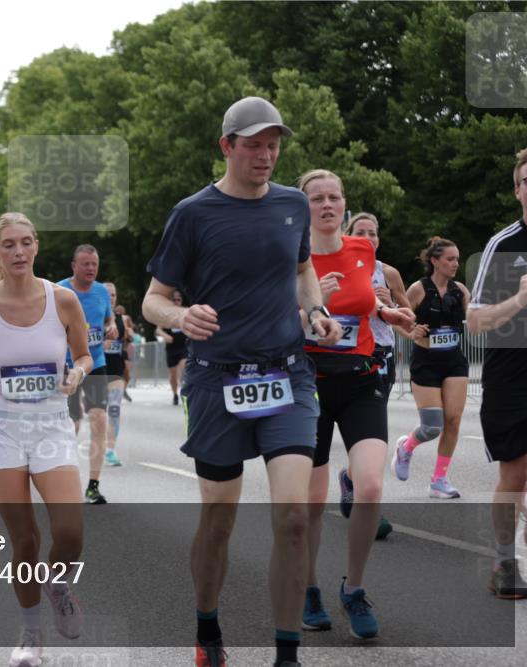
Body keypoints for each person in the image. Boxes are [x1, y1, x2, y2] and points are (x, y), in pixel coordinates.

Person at [141, 96, 342, 667]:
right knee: (219, 521)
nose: (266, 154)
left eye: (274, 143)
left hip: (288, 375)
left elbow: (303, 270)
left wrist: (315, 311)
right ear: (226, 146)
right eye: (254, 143)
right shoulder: (193, 213)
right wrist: (181, 317)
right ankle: (207, 627)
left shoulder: (292, 206)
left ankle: (286, 655)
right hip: (216, 380)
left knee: (294, 516)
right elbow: (153, 300)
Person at [0, 212, 90, 667]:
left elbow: (85, 354)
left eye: (26, 242)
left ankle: (56, 583)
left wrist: (77, 372)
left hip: (51, 422)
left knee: (70, 532)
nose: (18, 251)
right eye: (8, 244)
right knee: (26, 540)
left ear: (36, 247)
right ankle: (31, 635)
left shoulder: (63, 300)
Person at [296, 169, 415, 639]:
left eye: (334, 198)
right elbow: (266, 320)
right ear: (302, 207)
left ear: (344, 205)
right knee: (309, 502)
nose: (327, 205)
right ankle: (307, 588)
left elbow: (364, 305)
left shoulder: (363, 251)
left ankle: (354, 587)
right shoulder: (291, 257)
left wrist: (389, 313)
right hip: (309, 385)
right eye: (317, 199)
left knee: (368, 488)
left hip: (362, 380)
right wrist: (307, 305)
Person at [466, 145, 527, 599]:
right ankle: (504, 562)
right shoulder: (503, 244)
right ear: (517, 190)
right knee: (514, 472)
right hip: (512, 369)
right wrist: (520, 299)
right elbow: (474, 320)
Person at [345, 212, 412, 541]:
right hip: (345, 358)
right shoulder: (336, 268)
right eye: (361, 232)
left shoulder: (389, 272)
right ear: (349, 236)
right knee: (355, 432)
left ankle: (354, 484)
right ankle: (361, 493)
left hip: (380, 357)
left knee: (371, 434)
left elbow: (409, 316)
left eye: (373, 233)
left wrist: (390, 304)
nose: (368, 238)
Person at [390, 237, 472, 499]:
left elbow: (475, 318)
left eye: (457, 259)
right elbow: (397, 321)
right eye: (450, 259)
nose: (455, 264)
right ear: (434, 261)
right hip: (426, 362)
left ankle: (439, 480)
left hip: (454, 361)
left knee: (453, 420)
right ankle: (406, 447)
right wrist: (412, 331)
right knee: (432, 427)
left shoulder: (460, 290)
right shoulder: (418, 289)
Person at [59, 244, 117, 505]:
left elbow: (108, 319)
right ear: (74, 266)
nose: (91, 268)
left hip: (95, 363)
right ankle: (64, 479)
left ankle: (93, 485)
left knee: (99, 419)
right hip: (67, 366)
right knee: (71, 425)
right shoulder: (59, 291)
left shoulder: (102, 291)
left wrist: (112, 326)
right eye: (85, 264)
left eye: (94, 264)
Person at [102, 282, 130, 466]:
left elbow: (125, 341)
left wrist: (124, 342)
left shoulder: (121, 318)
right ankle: (97, 440)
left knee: (114, 409)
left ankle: (110, 450)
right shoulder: (93, 315)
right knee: (98, 412)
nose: (111, 298)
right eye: (107, 294)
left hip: (116, 369)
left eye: (113, 295)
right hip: (97, 369)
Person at [155, 290, 189, 406]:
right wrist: (165, 336)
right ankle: (175, 394)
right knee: (173, 375)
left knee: (184, 367)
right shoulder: (166, 314)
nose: (176, 302)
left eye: (178, 299)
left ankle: (184, 392)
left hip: (183, 347)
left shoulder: (185, 311)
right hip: (171, 348)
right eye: (174, 300)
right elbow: (158, 330)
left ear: (181, 300)